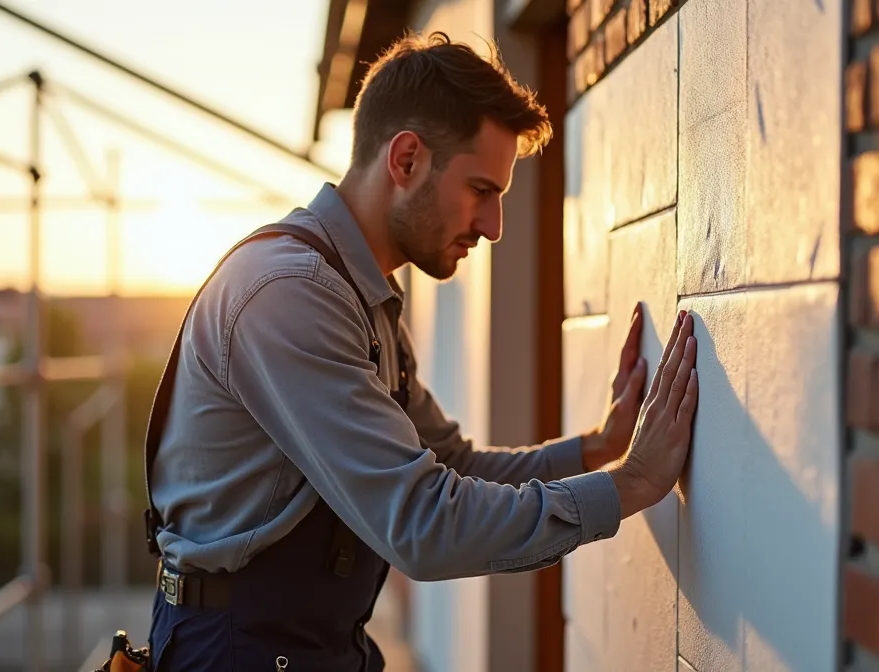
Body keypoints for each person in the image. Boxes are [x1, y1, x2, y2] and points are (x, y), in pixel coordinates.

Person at [143, 30, 700, 671]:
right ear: (406, 160)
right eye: (482, 191)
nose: (493, 228)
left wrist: (600, 448)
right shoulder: (289, 295)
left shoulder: (360, 293)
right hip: (235, 654)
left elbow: (451, 464)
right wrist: (631, 485)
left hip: (315, 646)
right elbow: (422, 523)